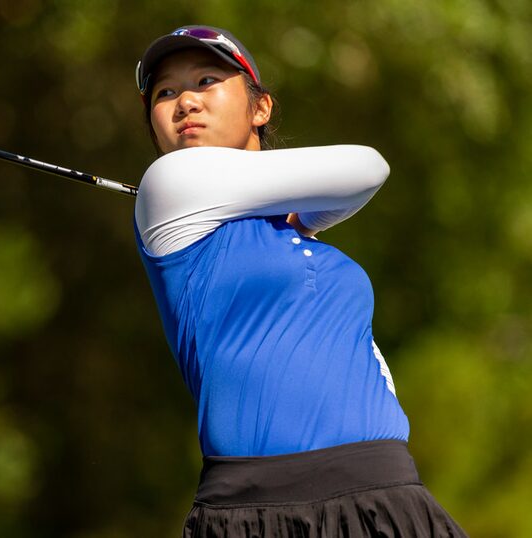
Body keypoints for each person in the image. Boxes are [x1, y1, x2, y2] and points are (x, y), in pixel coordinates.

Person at [133, 26, 467, 537]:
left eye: (206, 79)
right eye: (166, 92)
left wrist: (296, 220)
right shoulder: (170, 184)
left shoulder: (310, 246)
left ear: (260, 108)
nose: (185, 102)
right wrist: (301, 215)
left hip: (384, 491)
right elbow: (366, 169)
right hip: (256, 509)